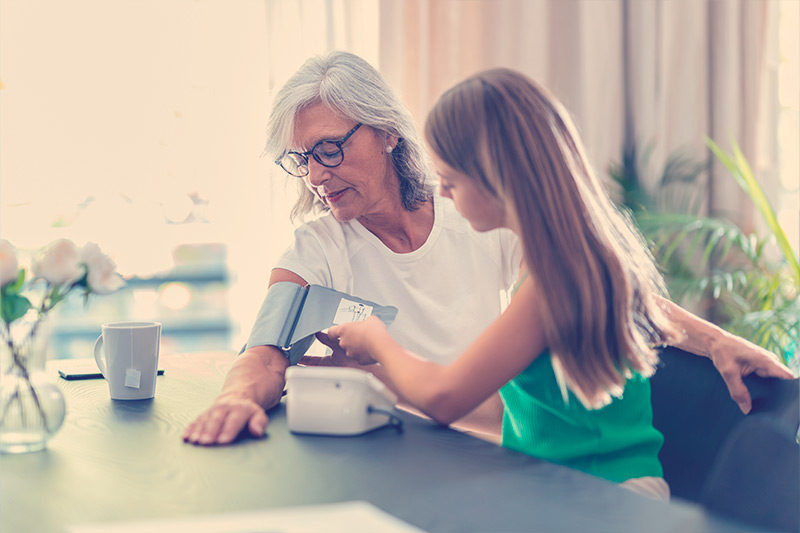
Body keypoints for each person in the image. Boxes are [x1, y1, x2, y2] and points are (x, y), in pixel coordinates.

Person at [184, 52, 789, 450]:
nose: (315, 175)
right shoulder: (313, 247)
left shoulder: (480, 216)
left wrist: (715, 339)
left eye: (329, 150)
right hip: (393, 452)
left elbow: (607, 287)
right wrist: (237, 398)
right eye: (300, 159)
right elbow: (264, 355)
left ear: (387, 131)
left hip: (499, 454)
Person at [328, 68, 794, 500]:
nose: (443, 194)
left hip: (606, 502)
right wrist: (371, 373)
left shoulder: (551, 286)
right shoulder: (574, 264)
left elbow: (446, 397)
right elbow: (511, 412)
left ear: (498, 179)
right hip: (570, 490)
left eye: (450, 180)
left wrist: (376, 339)